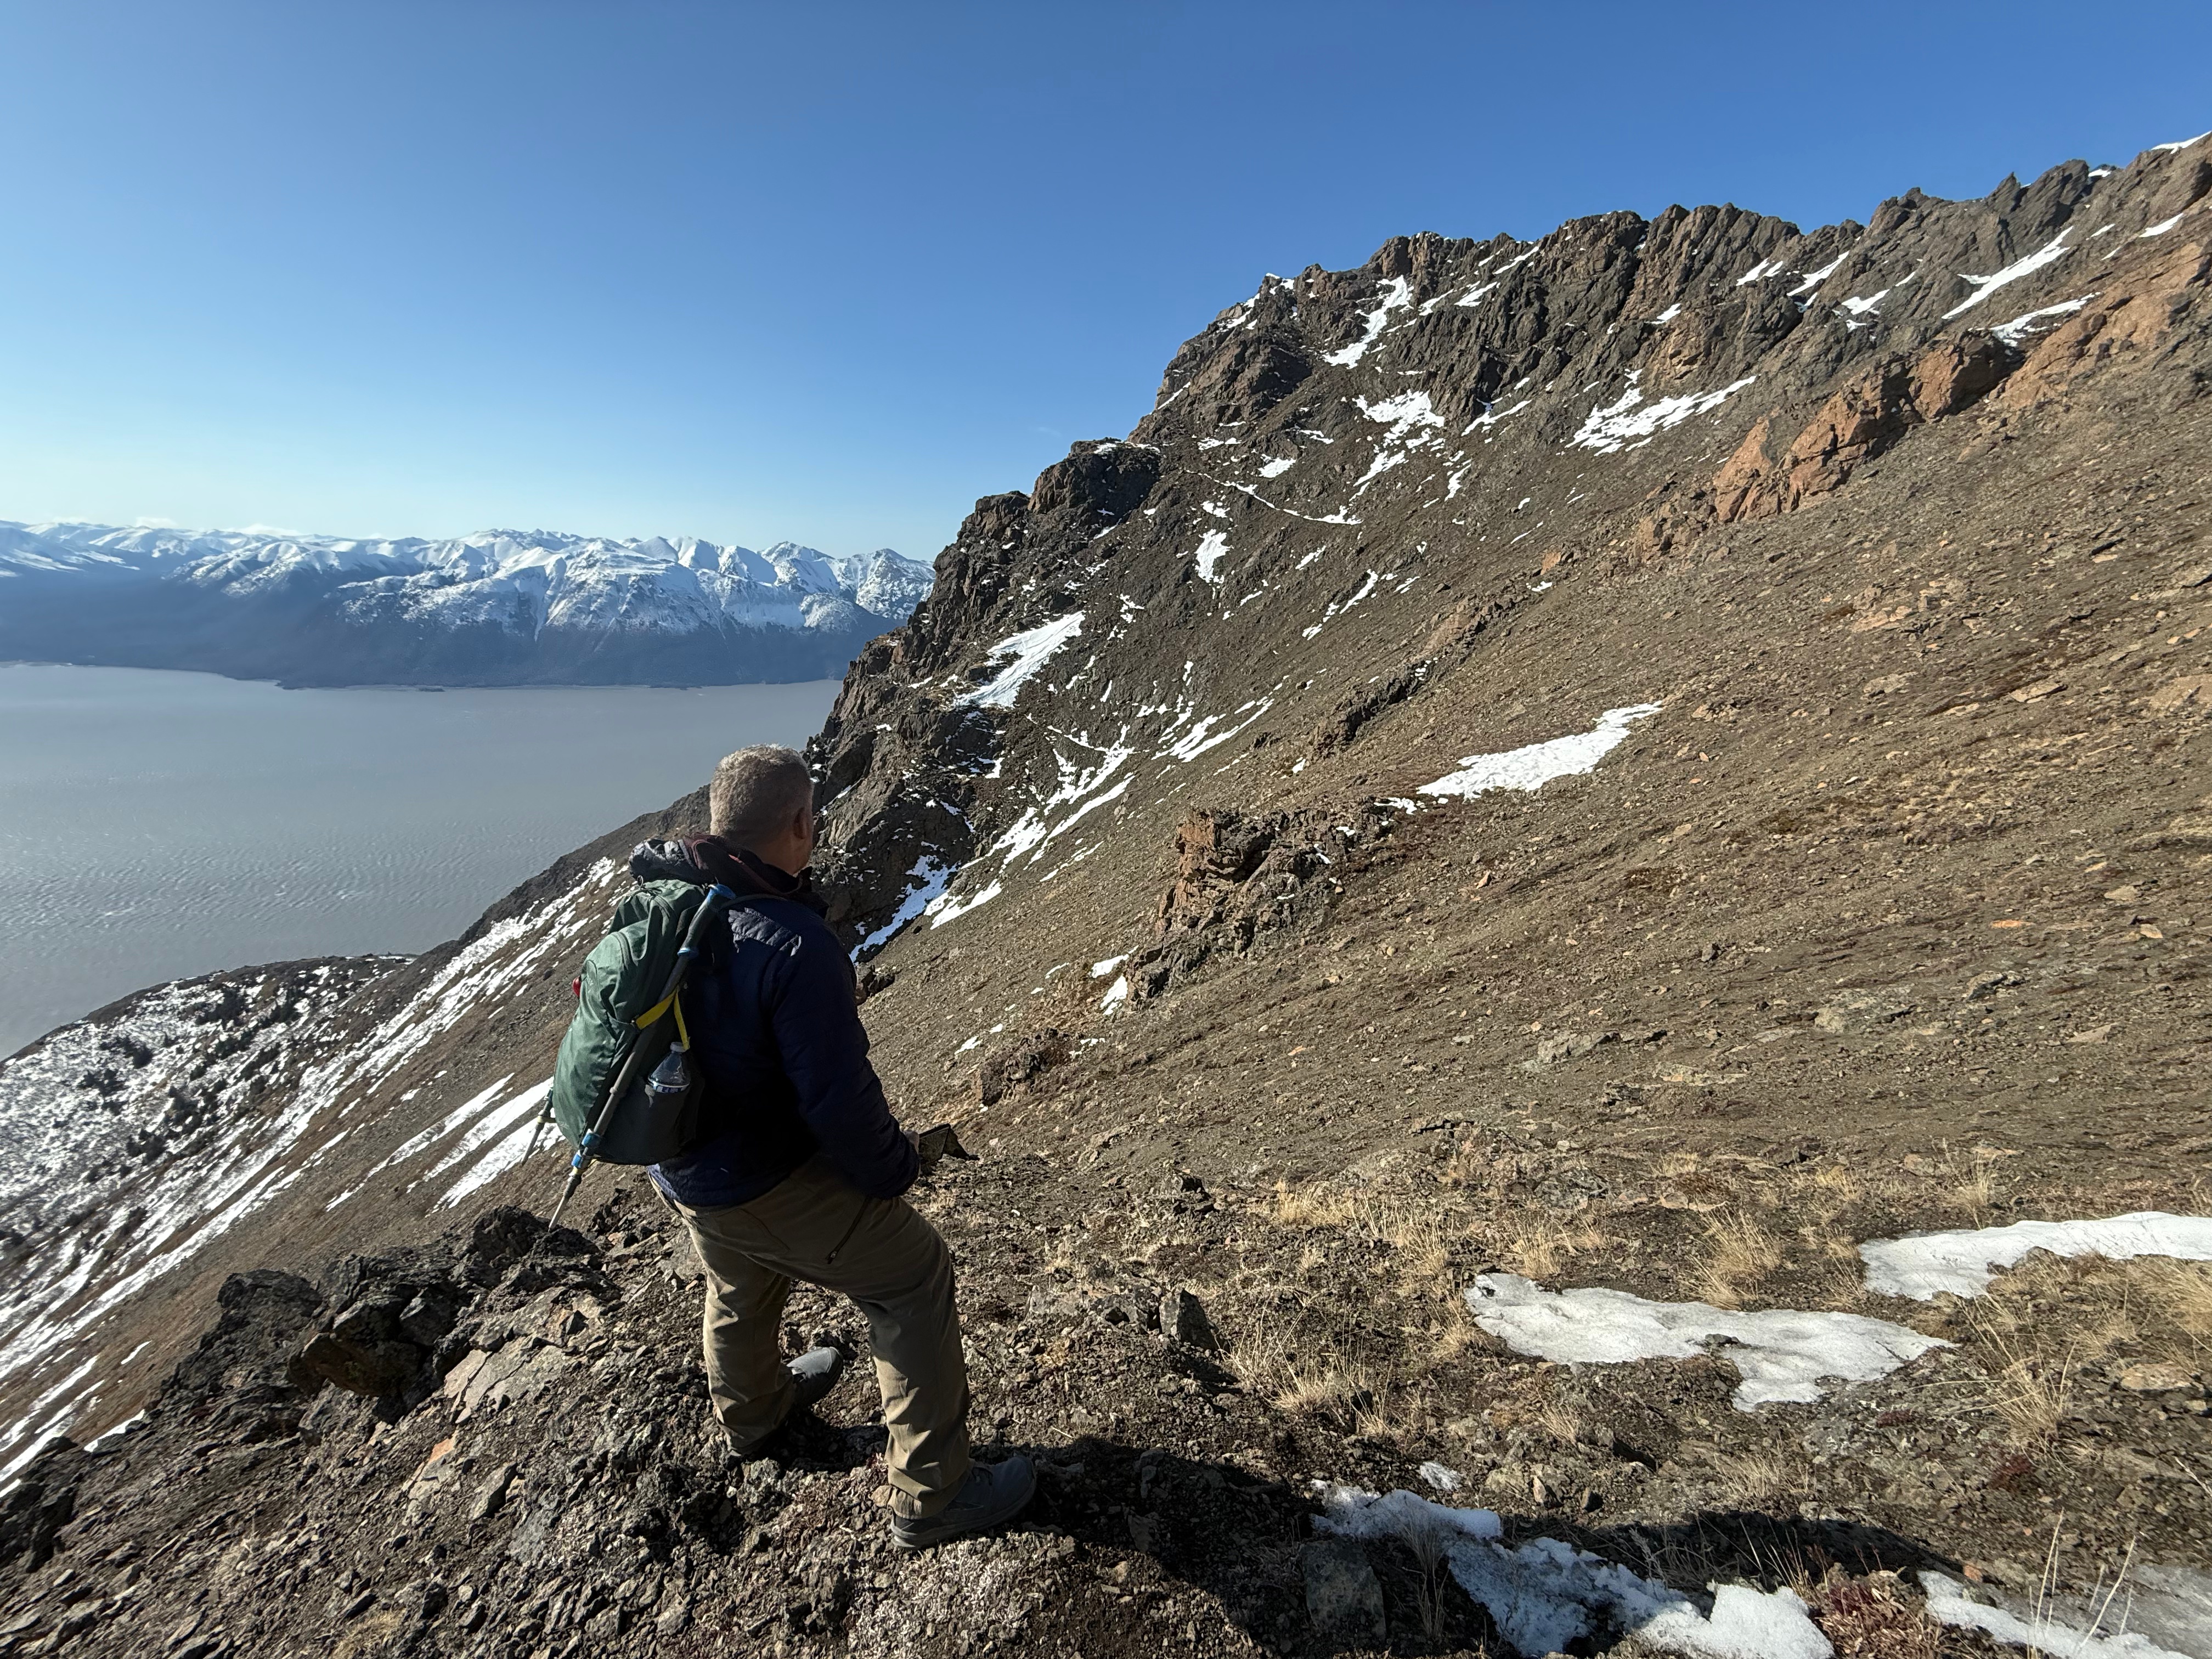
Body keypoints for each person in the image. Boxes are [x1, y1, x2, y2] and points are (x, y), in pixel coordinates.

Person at [635, 744, 1034, 1549]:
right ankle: (936, 1495)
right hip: (759, 1177)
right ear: (799, 824)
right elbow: (837, 1102)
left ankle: (755, 1419)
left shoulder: (664, 902)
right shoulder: (793, 943)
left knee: (739, 1280)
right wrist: (895, 1171)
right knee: (914, 1277)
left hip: (681, 1168)